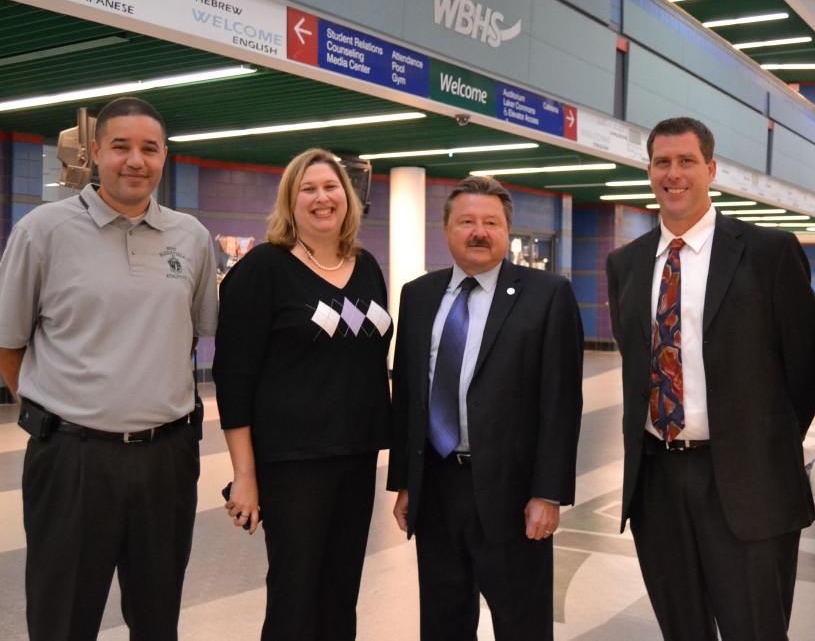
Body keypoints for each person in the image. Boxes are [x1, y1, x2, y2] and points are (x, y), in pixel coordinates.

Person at [0, 96, 218, 640]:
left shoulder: (190, 237)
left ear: (165, 156)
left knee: (156, 614)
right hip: (71, 461)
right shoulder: (43, 231)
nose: (135, 161)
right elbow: (9, 342)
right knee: (63, 617)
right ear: (95, 152)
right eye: (120, 147)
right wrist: (56, 415)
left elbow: (194, 331)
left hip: (168, 460)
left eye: (149, 149)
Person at [606, 116, 815, 640]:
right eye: (662, 162)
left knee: (756, 629)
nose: (673, 174)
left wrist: (759, 446)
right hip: (657, 482)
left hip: (748, 483)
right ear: (650, 170)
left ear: (712, 169)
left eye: (686, 161)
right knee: (682, 629)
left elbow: (804, 371)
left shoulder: (768, 253)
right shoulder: (626, 265)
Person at [387, 175, 583, 640]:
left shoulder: (547, 295)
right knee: (443, 622)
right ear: (447, 229)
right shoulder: (418, 295)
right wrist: (405, 483)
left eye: (491, 222)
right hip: (436, 489)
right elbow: (409, 395)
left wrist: (548, 494)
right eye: (467, 221)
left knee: (522, 624)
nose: (479, 231)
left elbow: (561, 403)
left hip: (514, 497)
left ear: (507, 231)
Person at [213, 148, 392, 640]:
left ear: (348, 198)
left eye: (330, 187)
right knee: (295, 597)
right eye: (307, 189)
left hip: (355, 458)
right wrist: (244, 476)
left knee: (340, 595)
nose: (321, 198)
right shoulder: (262, 271)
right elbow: (234, 381)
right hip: (291, 464)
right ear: (289, 203)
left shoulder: (367, 266)